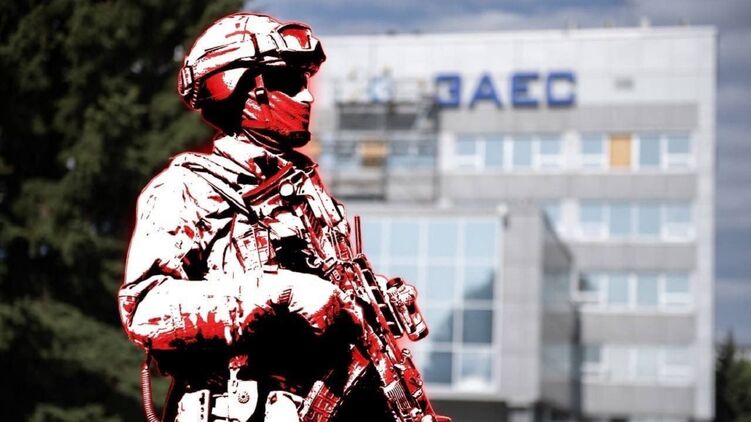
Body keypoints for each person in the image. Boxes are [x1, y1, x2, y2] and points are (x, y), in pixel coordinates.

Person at [117, 13, 381, 422]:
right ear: (237, 87)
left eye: (305, 83)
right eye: (289, 83)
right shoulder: (188, 187)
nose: (307, 98)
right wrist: (280, 293)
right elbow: (145, 309)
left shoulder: (310, 196)